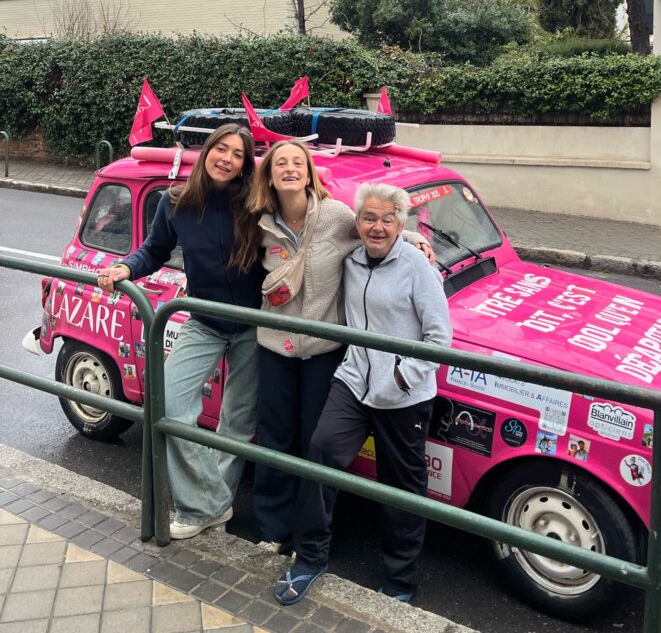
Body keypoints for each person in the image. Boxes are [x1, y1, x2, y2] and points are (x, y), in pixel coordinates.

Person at [241, 142, 433, 554]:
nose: (290, 169)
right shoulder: (258, 224)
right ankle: (274, 529)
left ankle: (311, 531)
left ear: (309, 173)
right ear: (269, 176)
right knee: (274, 439)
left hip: (324, 347)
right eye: (280, 163)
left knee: (316, 442)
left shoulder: (335, 216)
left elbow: (375, 229)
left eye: (298, 162)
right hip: (275, 345)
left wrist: (412, 237)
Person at [273, 182, 452, 607]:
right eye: (369, 218)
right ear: (358, 221)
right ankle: (311, 556)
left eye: (387, 220)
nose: (377, 227)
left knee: (402, 486)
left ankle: (400, 580)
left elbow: (439, 337)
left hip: (403, 395)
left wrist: (403, 379)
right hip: (354, 381)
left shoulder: (417, 267)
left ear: (400, 223)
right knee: (321, 455)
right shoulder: (351, 260)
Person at [97, 123, 264, 540]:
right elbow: (154, 250)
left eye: (237, 154)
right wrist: (126, 268)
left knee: (238, 422)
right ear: (207, 152)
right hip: (204, 320)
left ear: (246, 164)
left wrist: (403, 236)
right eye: (220, 149)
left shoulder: (259, 200)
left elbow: (316, 218)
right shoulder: (175, 202)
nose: (226, 158)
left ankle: (210, 504)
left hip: (257, 325)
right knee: (167, 404)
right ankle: (207, 502)